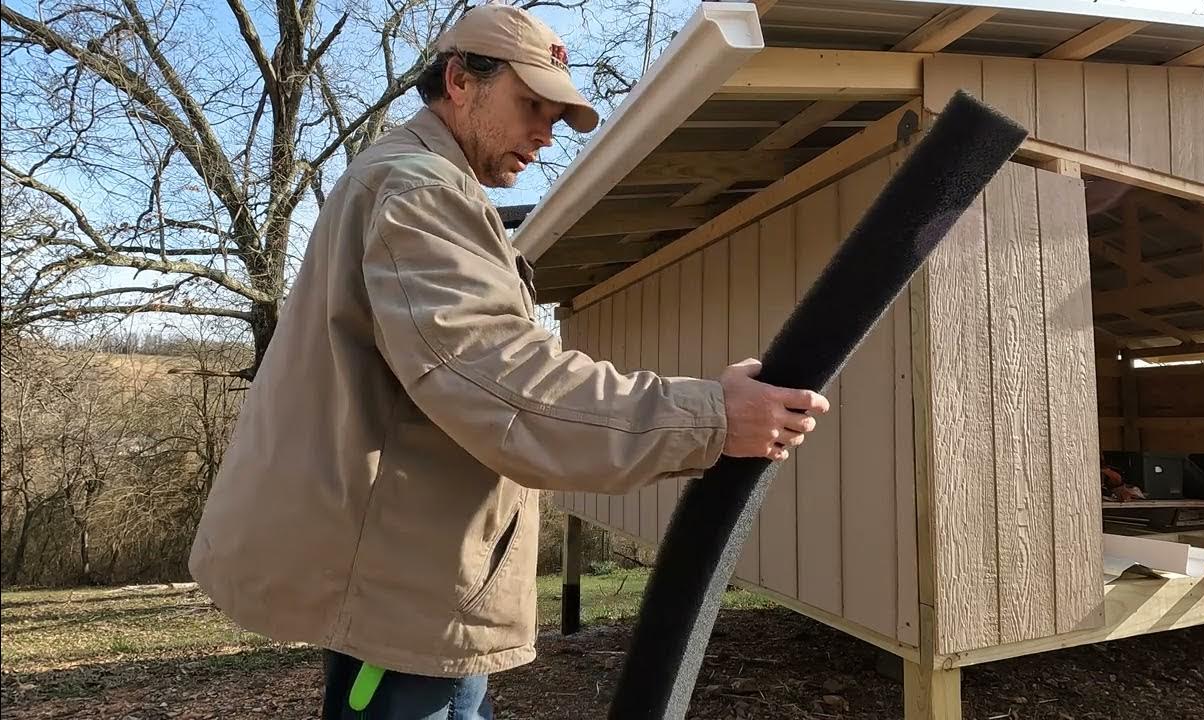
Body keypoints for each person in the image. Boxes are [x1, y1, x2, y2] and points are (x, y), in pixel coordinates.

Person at [187, 4, 829, 718]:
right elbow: (505, 384)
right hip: (405, 593)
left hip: (418, 581)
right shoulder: (420, 191)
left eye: (556, 118)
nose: (544, 135)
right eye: (531, 105)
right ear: (459, 80)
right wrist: (713, 418)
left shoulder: (416, 183)